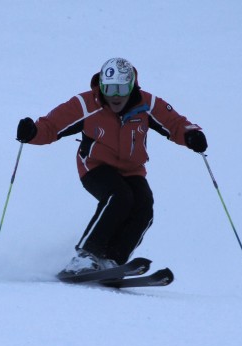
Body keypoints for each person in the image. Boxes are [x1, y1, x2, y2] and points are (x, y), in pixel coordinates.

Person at [16, 57, 207, 275]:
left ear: (132, 86)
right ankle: (85, 256)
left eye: (121, 89)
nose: (115, 96)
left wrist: (190, 134)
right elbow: (51, 126)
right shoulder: (86, 104)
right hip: (95, 166)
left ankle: (112, 261)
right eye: (109, 89)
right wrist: (32, 132)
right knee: (119, 197)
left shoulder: (147, 104)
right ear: (101, 86)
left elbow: (174, 123)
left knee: (144, 207)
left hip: (132, 169)